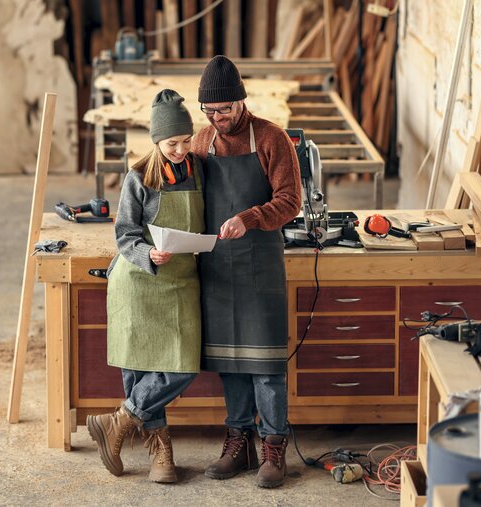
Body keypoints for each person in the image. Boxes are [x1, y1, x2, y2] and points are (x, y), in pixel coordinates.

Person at [191, 55, 302, 488]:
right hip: (216, 265)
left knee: (267, 364)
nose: (218, 119)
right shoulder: (201, 143)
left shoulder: (273, 139)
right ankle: (238, 440)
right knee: (230, 362)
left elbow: (290, 201)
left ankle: (274, 447)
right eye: (210, 112)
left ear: (242, 101)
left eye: (224, 110)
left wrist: (250, 217)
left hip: (260, 265)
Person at [86, 89, 204, 484]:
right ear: (156, 141)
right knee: (138, 372)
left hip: (181, 282)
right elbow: (124, 234)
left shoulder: (199, 170)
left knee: (183, 364)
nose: (181, 150)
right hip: (138, 282)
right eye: (173, 143)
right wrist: (146, 255)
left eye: (186, 141)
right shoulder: (137, 177)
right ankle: (160, 452)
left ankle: (119, 420)